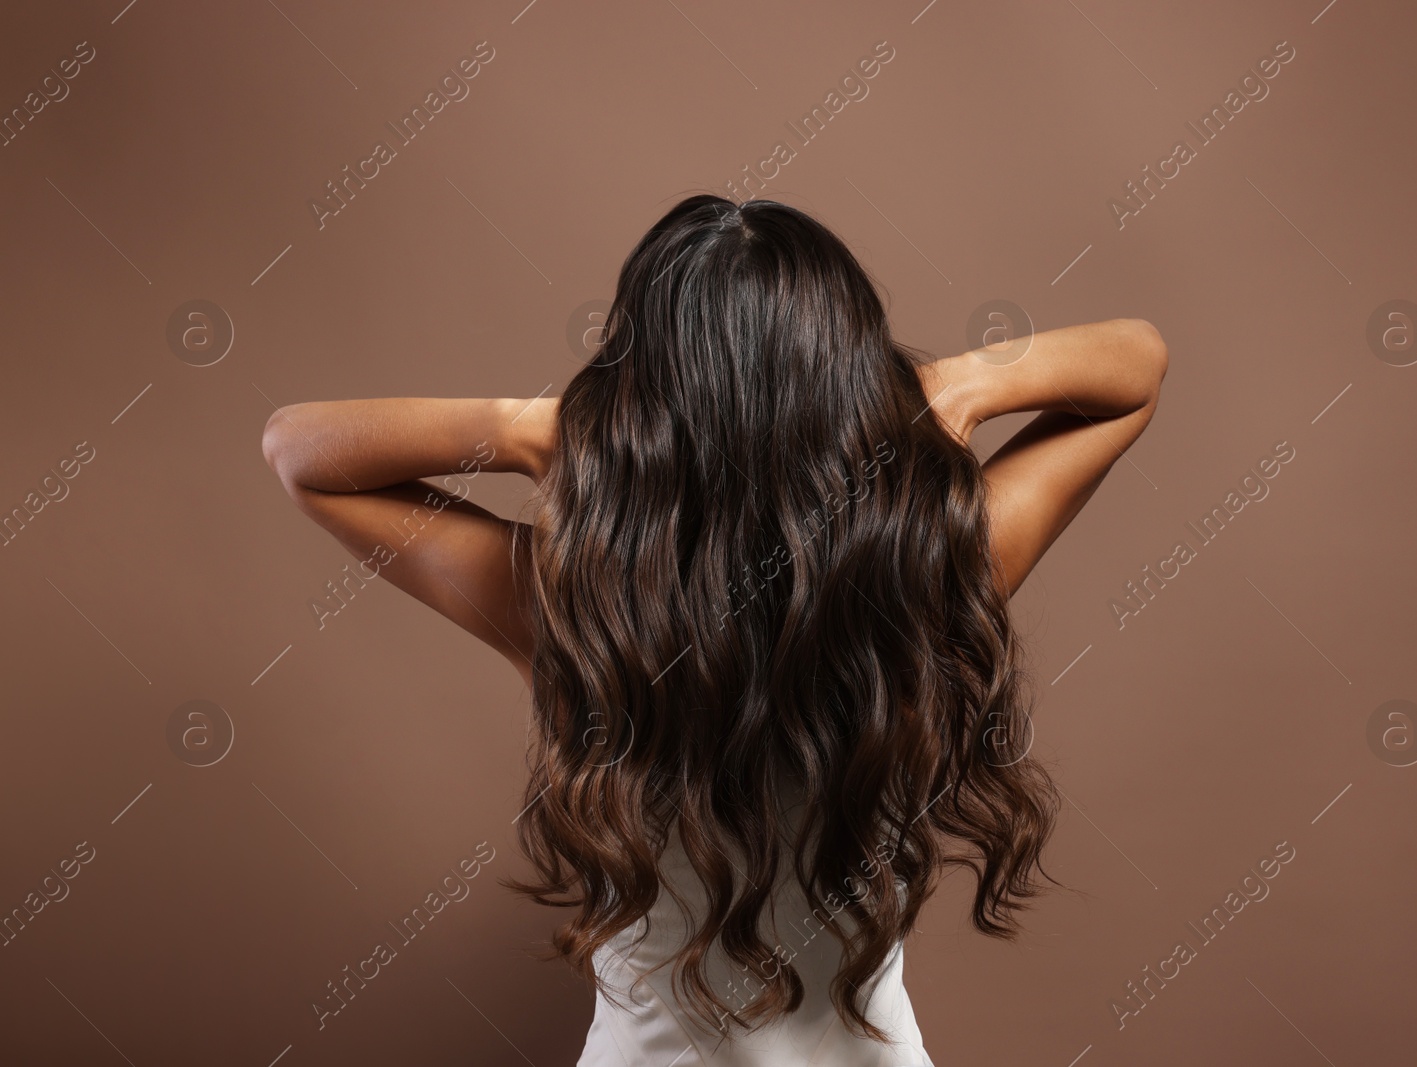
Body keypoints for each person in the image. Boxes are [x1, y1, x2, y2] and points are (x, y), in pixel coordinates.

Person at [262, 194, 1166, 1064]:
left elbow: (299, 450)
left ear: (640, 394)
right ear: (850, 381)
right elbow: (1136, 362)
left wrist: (547, 431)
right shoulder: (930, 576)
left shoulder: (572, 608)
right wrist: (941, 389)